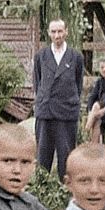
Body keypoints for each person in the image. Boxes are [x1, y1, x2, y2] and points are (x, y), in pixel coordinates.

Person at [33, 19, 84, 180]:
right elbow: (38, 82)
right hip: (45, 111)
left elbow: (78, 84)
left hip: (66, 112)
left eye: (60, 31)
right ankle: (42, 188)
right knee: (43, 155)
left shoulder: (75, 57)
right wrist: (43, 100)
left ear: (66, 32)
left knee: (66, 154)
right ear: (49, 33)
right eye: (53, 32)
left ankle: (65, 188)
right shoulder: (41, 56)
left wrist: (69, 100)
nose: (57, 35)